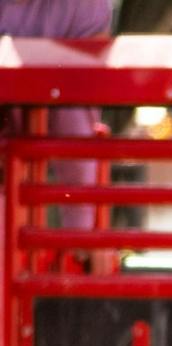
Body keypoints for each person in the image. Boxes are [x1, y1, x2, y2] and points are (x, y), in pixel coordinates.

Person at [1, 0, 113, 232]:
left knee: (71, 113)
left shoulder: (86, 5)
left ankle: (83, 236)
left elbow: (91, 79)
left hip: (66, 128)